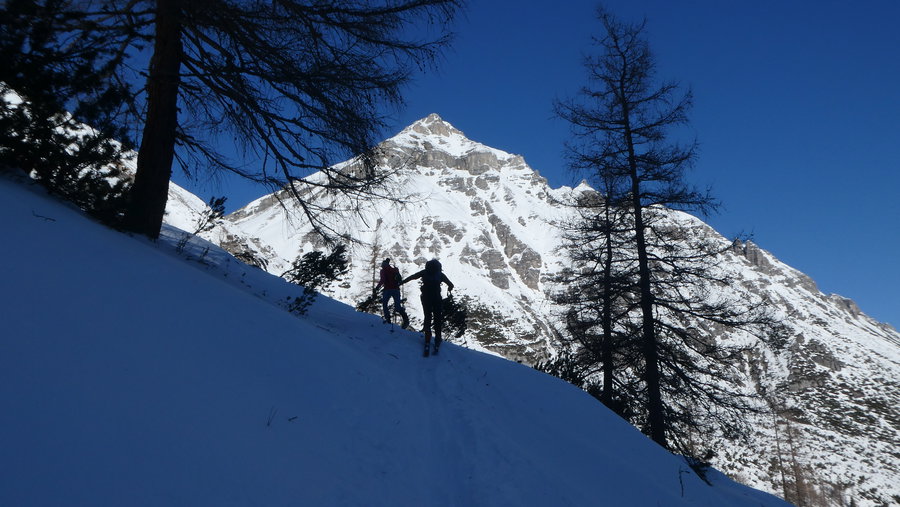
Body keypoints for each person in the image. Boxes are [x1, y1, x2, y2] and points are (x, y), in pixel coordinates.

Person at [401, 258, 454, 356]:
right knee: (438, 318)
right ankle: (438, 338)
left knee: (427, 317)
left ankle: (427, 339)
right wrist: (449, 289)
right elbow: (451, 285)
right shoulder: (440, 275)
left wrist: (401, 282)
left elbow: (413, 277)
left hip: (426, 298)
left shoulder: (425, 272)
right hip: (437, 299)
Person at [374, 258, 409, 329]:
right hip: (396, 289)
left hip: (387, 289)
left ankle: (388, 319)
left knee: (385, 304)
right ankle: (405, 319)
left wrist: (377, 287)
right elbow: (399, 279)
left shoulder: (383, 271)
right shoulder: (395, 270)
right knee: (398, 306)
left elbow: (382, 280)